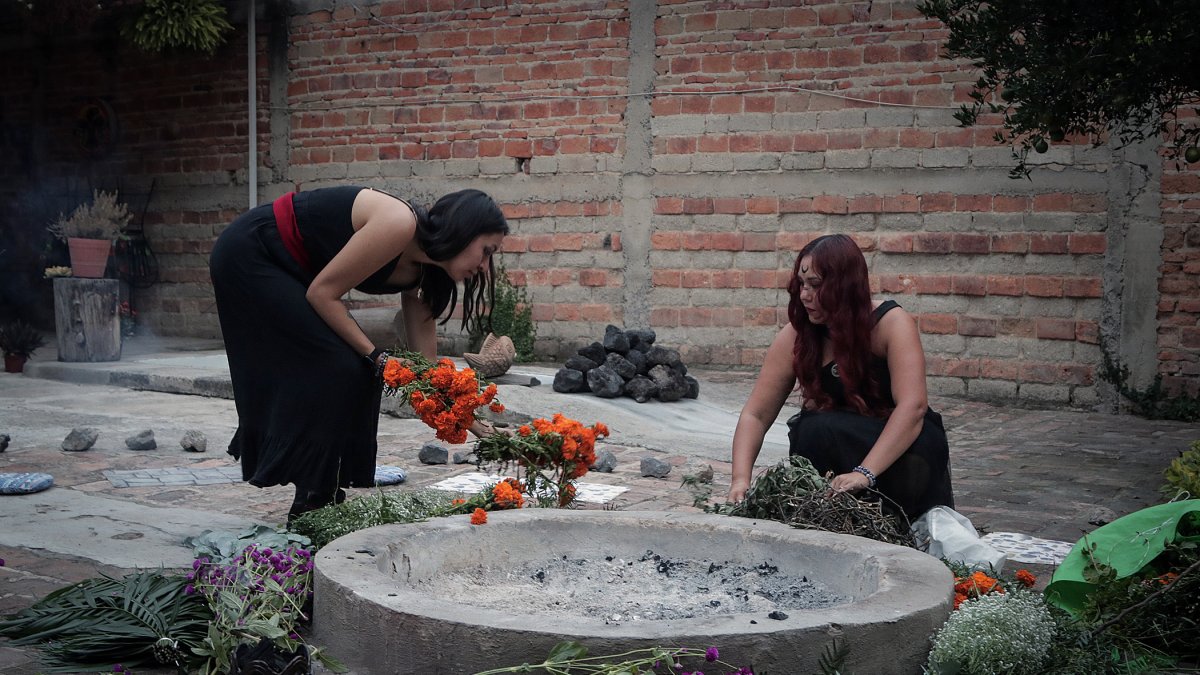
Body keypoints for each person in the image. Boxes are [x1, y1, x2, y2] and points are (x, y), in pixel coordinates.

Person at [210, 186, 509, 522]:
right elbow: (323, 294)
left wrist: (481, 427)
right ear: (463, 231)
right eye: (486, 251)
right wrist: (376, 356)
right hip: (252, 252)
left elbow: (429, 374)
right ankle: (313, 500)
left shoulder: (427, 276)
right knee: (344, 367)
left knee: (356, 369)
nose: (485, 266)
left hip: (297, 273)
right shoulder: (399, 223)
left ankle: (322, 493)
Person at [727, 234, 953, 519]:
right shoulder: (798, 336)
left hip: (897, 446)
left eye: (816, 286)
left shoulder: (892, 324)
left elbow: (913, 407)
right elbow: (756, 415)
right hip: (838, 452)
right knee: (814, 429)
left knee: (911, 452)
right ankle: (830, 516)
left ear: (844, 287)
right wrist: (740, 479)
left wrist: (864, 473)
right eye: (801, 285)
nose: (804, 295)